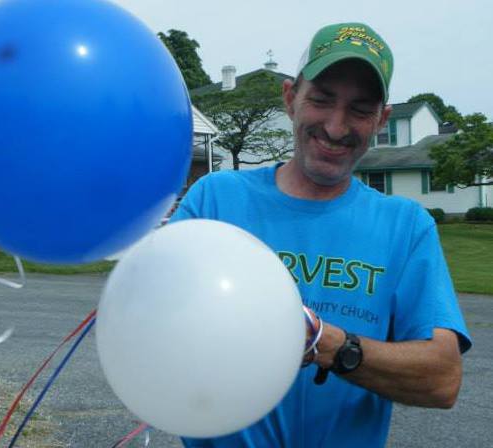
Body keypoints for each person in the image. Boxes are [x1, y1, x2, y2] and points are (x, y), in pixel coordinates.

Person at [169, 22, 472, 448]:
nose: (335, 126)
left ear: (382, 120)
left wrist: (327, 344)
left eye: (360, 109)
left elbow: (442, 380)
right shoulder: (215, 200)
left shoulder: (405, 225)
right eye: (321, 100)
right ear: (291, 98)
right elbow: (154, 318)